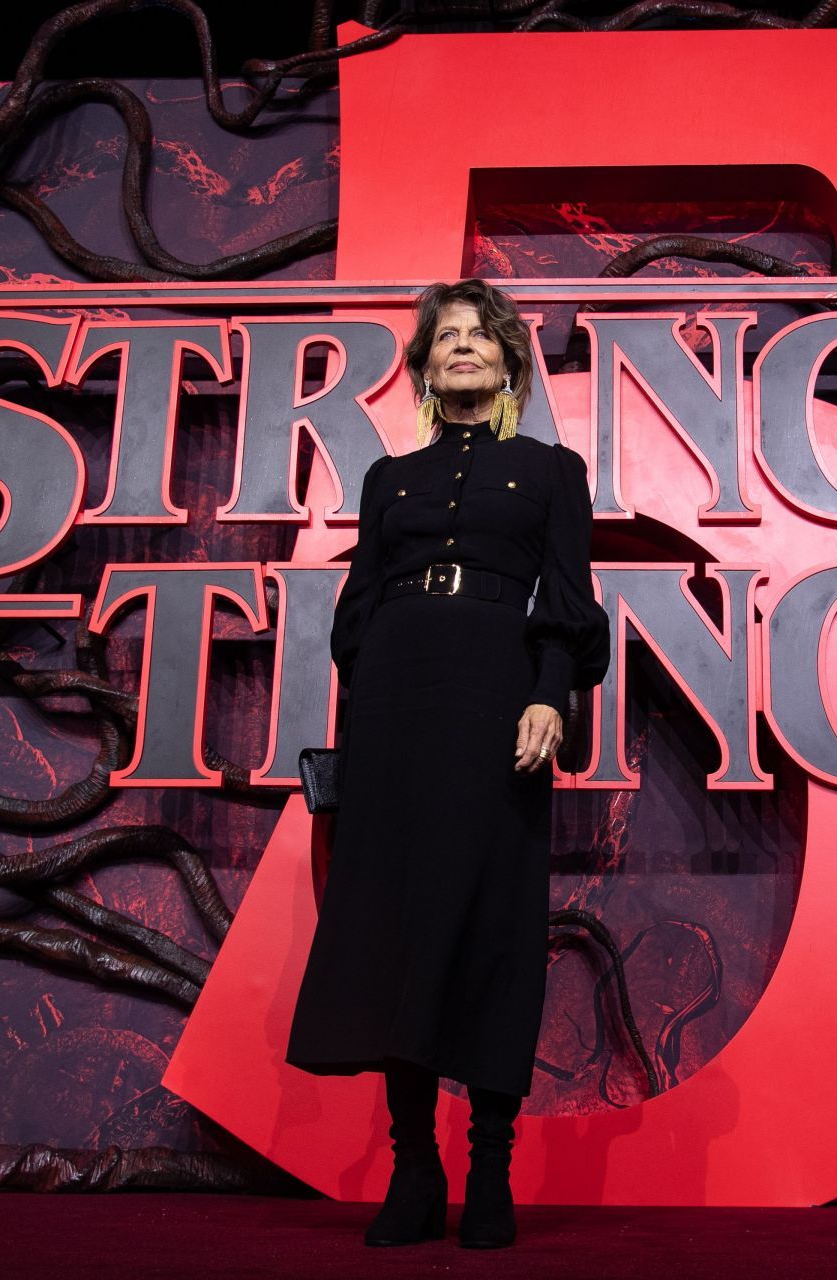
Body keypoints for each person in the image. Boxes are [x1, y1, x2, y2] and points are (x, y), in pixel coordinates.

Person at [283, 279, 611, 1249]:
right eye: (445, 339)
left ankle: (491, 1164)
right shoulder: (390, 480)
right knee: (393, 923)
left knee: (491, 922)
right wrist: (371, 685)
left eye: (479, 336)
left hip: (497, 702)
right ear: (426, 367)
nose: (461, 348)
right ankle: (416, 1166)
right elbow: (357, 606)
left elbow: (571, 600)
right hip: (394, 703)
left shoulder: (553, 472)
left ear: (508, 361)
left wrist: (550, 691)